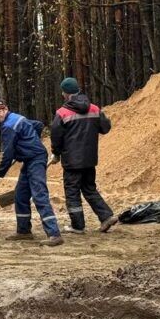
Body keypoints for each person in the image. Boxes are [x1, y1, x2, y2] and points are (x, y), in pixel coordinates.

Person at [0, 98, 63, 246]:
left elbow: (8, 155)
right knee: (20, 195)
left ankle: (54, 234)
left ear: (6, 109)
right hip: (29, 159)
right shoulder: (18, 118)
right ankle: (24, 231)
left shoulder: (9, 126)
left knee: (39, 194)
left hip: (35, 159)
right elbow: (38, 125)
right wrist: (28, 140)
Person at [50, 77, 118, 233]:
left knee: (72, 192)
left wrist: (56, 153)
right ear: (78, 90)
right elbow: (105, 128)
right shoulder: (94, 108)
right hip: (89, 159)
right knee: (89, 188)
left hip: (72, 162)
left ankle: (78, 226)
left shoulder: (62, 113)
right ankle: (106, 216)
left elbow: (56, 136)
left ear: (65, 93)